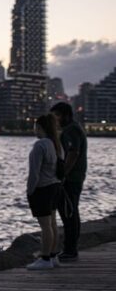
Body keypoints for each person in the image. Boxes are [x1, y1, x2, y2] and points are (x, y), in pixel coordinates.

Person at [25, 113, 63, 271]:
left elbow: (34, 173)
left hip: (43, 189)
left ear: (40, 127)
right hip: (55, 187)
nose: (34, 130)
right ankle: (53, 256)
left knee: (45, 226)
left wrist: (30, 191)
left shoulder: (40, 145)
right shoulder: (56, 144)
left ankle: (45, 258)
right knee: (52, 223)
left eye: (35, 127)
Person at [50, 101, 87, 262]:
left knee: (68, 214)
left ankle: (70, 250)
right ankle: (70, 249)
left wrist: (63, 174)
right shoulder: (73, 128)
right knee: (71, 212)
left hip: (71, 179)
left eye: (57, 116)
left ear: (66, 115)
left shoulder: (71, 130)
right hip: (74, 177)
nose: (55, 120)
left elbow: (73, 153)